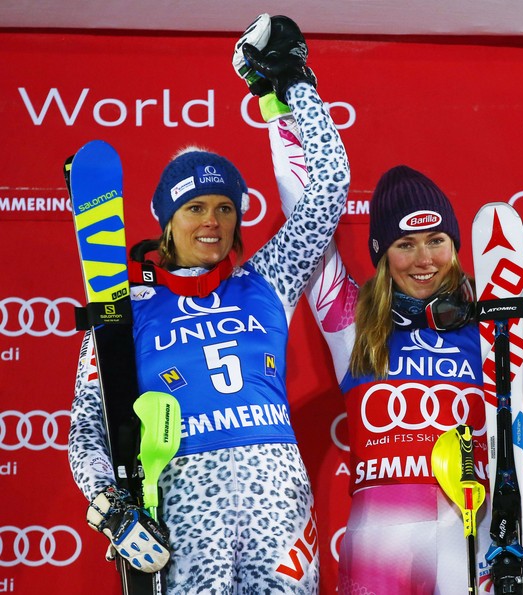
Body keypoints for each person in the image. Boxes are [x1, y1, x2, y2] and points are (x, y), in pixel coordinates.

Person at [234, 17, 523, 594]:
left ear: (455, 243)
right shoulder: (350, 320)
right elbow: (306, 211)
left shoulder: (495, 316)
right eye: (404, 244)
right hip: (378, 547)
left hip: (468, 540)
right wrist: (277, 104)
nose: (424, 259)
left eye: (437, 241)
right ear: (381, 254)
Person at [68, 19, 350, 594]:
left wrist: (293, 84)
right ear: (167, 220)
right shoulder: (126, 305)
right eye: (196, 207)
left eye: (226, 207)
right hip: (186, 502)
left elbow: (330, 186)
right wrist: (111, 510)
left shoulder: (265, 279)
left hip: (278, 501)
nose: (213, 221)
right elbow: (86, 428)